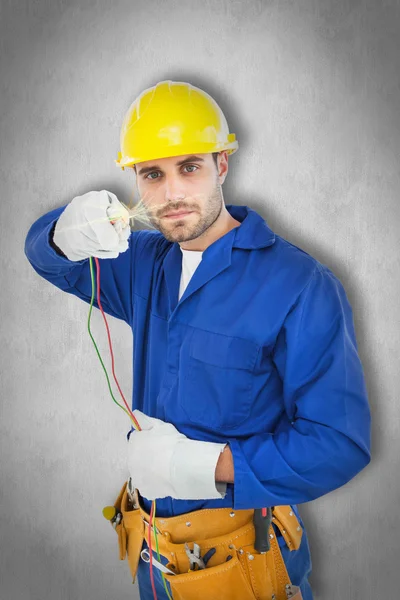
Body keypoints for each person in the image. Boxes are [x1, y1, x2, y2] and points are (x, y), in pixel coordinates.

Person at [24, 80, 371, 600]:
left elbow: (338, 444)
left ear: (222, 165)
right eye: (151, 174)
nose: (171, 194)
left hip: (244, 562)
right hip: (155, 557)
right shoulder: (143, 262)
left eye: (189, 167)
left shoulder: (300, 285)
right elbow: (45, 258)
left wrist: (206, 467)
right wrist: (62, 232)